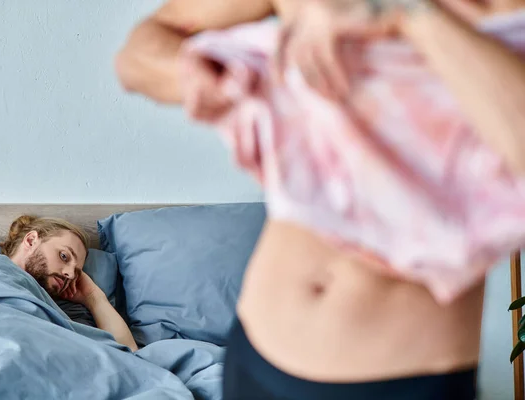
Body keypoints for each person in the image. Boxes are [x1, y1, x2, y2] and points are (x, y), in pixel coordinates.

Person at [116, 0, 525, 398]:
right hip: (257, 351)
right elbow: (139, 54)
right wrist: (196, 75)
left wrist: (408, 12)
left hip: (401, 377)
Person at [0, 215, 138, 351]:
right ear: (30, 240)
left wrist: (93, 297)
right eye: (64, 256)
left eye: (76, 272)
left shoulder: (56, 314)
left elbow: (128, 355)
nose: (69, 274)